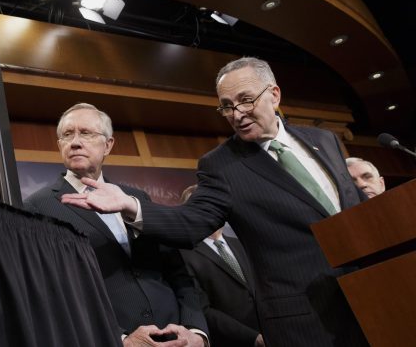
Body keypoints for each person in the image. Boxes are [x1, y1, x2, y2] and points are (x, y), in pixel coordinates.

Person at [61, 57, 368, 347]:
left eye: (246, 100)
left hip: (371, 293)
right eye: (227, 106)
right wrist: (131, 206)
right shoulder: (222, 165)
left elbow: (356, 208)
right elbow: (190, 222)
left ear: (274, 95)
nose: (237, 114)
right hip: (306, 317)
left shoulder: (324, 140)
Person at [25, 103, 209, 346]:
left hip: (177, 338)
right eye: (67, 135)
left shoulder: (137, 199)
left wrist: (197, 332)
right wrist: (119, 339)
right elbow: (52, 291)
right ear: (60, 146)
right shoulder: (38, 206)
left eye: (86, 133)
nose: (75, 142)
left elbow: (177, 272)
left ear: (108, 145)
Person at [178, 185, 263, 347]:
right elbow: (203, 309)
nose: (211, 211)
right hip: (233, 341)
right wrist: (253, 337)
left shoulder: (241, 244)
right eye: (201, 206)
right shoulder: (183, 254)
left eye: (215, 205)